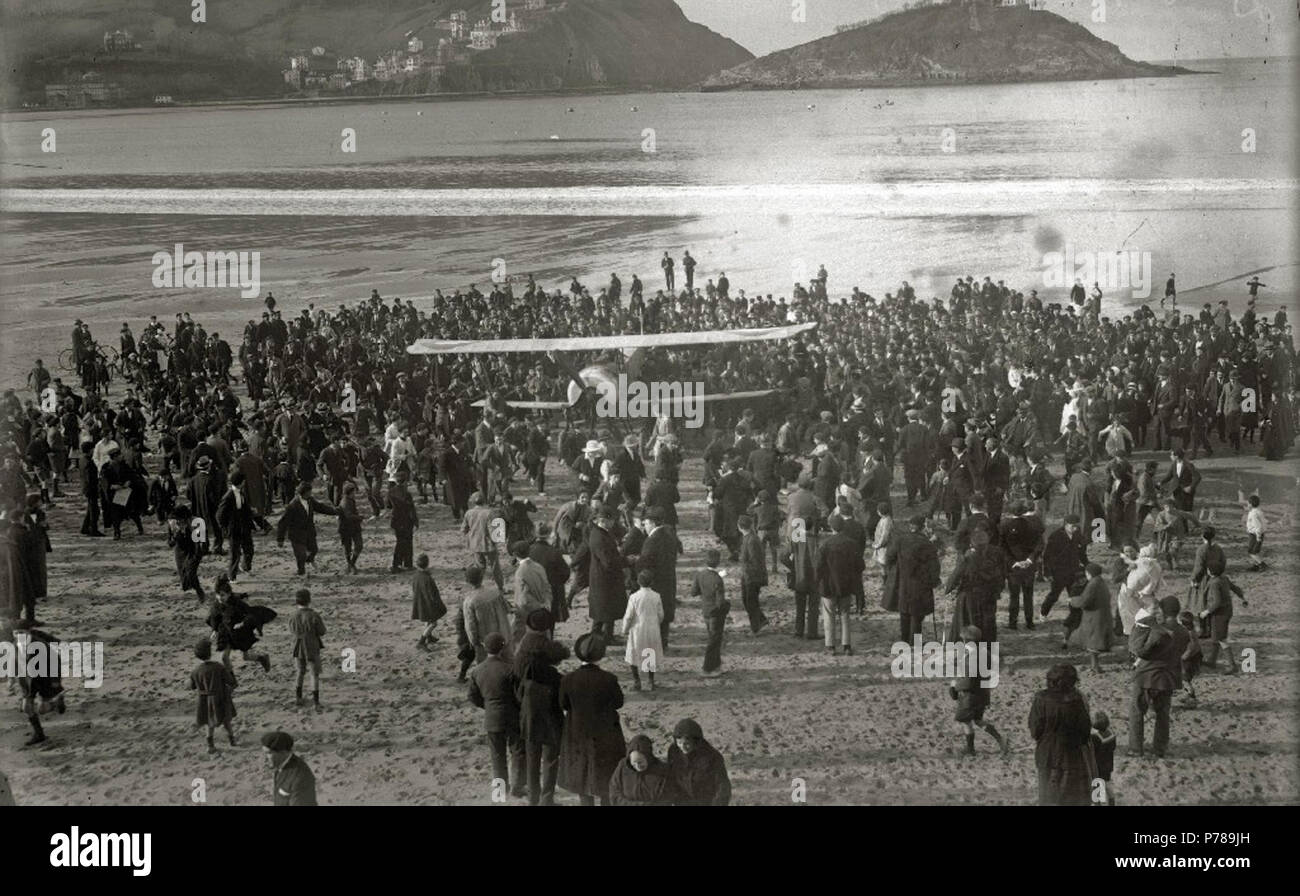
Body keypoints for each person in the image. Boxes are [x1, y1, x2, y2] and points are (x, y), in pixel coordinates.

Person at [558, 632, 626, 806]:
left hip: (577, 732)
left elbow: (563, 704)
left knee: (581, 775)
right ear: (600, 655)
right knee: (606, 775)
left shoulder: (568, 679)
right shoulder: (609, 679)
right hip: (606, 732)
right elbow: (618, 703)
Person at [514, 608, 568, 806]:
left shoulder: (522, 652)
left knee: (532, 756)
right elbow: (563, 652)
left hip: (528, 712)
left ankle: (534, 799)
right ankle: (547, 799)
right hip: (550, 714)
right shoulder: (553, 675)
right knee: (551, 758)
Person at [1128, 597, 1187, 758]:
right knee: (1162, 715)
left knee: (1137, 711)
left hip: (1147, 677)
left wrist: (1139, 626)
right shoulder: (1183, 632)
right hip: (1168, 678)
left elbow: (1138, 650)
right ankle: (1159, 749)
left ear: (1162, 611)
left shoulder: (1157, 630)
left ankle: (1135, 748)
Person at [1028, 663, 1095, 805]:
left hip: (1046, 753)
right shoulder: (1077, 701)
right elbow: (1085, 731)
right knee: (1069, 796)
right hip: (1071, 755)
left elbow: (1035, 730)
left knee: (1046, 794)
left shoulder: (1040, 699)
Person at [468, 632, 524, 800]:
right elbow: (519, 696)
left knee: (497, 756)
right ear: (503, 648)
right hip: (513, 716)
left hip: (492, 718)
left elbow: (473, 697)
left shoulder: (477, 671)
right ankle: (518, 787)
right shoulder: (510, 669)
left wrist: (487, 706)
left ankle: (499, 793)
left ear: (485, 648)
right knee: (518, 752)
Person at [949, 625, 1008, 756]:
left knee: (965, 720)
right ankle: (1000, 739)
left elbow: (969, 680)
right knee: (978, 720)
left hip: (970, 695)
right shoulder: (984, 652)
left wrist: (954, 686)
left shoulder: (972, 657)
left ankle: (971, 749)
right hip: (983, 693)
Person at [815, 514, 860, 655]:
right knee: (845, 614)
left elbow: (818, 567)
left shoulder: (825, 545)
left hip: (828, 586)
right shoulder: (852, 544)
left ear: (831, 527)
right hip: (846, 585)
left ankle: (830, 646)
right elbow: (860, 565)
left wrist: (817, 582)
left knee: (828, 615)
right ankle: (846, 645)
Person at [276, 482, 338, 576]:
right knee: (301, 555)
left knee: (314, 550)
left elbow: (321, 508)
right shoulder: (292, 506)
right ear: (303, 493)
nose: (311, 494)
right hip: (296, 535)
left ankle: (309, 561)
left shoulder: (310, 500)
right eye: (309, 492)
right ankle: (301, 572)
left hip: (309, 532)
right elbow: (283, 522)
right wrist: (280, 539)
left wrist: (335, 511)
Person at [667, 718, 731, 806]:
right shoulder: (674, 751)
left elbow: (722, 786)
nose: (683, 747)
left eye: (687, 743)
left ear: (696, 741)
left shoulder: (712, 756)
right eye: (679, 743)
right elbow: (670, 777)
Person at [190, 638, 237, 752]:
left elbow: (192, 686)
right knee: (226, 721)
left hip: (205, 700)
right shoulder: (218, 667)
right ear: (210, 653)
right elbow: (231, 681)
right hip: (221, 697)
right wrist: (230, 671)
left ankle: (210, 745)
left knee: (209, 722)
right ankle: (232, 740)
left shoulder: (196, 671)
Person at [607, 734, 682, 806]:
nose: (637, 766)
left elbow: (666, 799)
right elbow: (614, 793)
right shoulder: (623, 767)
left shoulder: (662, 771)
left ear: (648, 757)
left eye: (640, 762)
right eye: (633, 763)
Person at [621, 569, 664, 691]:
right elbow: (661, 614)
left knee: (634, 654)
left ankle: (637, 681)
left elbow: (629, 616)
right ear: (652, 582)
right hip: (652, 628)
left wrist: (624, 629)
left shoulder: (634, 597)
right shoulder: (656, 596)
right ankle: (650, 681)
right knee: (649, 652)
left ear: (639, 583)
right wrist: (657, 623)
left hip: (637, 629)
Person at [462, 564, 512, 666]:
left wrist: (474, 641)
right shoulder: (495, 592)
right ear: (482, 578)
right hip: (503, 636)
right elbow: (508, 609)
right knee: (507, 664)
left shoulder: (470, 601)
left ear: (467, 581)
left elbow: (470, 626)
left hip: (486, 642)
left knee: (486, 666)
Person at [1068, 562, 1113, 673]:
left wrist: (1072, 600)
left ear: (1090, 573)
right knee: (1095, 643)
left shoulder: (1092, 584)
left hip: (1094, 618)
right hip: (1102, 616)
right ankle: (1094, 666)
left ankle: (1095, 667)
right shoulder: (1101, 582)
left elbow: (1084, 602)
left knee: (1093, 644)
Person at [1200, 570, 1246, 674]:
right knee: (1215, 636)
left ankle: (1232, 665)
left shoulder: (1214, 583)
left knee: (1221, 639)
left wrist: (1206, 612)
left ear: (1210, 571)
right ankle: (1212, 660)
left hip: (1219, 614)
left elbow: (1217, 602)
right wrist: (1243, 598)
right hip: (1227, 611)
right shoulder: (1224, 578)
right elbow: (1235, 588)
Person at [288, 588, 326, 712]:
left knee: (300, 672)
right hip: (312, 647)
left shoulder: (292, 616)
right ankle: (316, 702)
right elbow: (322, 631)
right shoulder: (313, 615)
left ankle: (298, 698)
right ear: (309, 600)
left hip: (297, 647)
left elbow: (291, 631)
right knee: (314, 674)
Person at [692, 549, 730, 674]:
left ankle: (717, 665)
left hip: (705, 611)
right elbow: (720, 602)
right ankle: (708, 667)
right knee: (714, 641)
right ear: (718, 562)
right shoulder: (718, 580)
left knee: (713, 638)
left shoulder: (700, 575)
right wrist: (727, 607)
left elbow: (693, 592)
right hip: (716, 614)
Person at [261, 730, 318, 806]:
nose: (265, 758)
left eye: (269, 753)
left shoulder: (300, 777)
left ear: (283, 752)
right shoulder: (281, 764)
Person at [737, 515, 769, 634]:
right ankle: (761, 620)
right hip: (748, 575)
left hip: (752, 576)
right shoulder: (750, 538)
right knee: (747, 600)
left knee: (751, 602)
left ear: (739, 527)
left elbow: (755, 561)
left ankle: (755, 627)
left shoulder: (751, 540)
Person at [411, 554, 447, 651]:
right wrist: (439, 605)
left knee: (428, 620)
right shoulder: (428, 579)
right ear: (427, 564)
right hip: (428, 604)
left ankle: (429, 636)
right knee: (433, 623)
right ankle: (421, 642)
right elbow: (433, 594)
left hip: (420, 602)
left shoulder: (416, 575)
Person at [1090, 711, 1117, 805]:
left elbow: (1092, 750)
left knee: (1098, 783)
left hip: (1098, 765)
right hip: (1109, 764)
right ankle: (1112, 799)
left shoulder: (1095, 737)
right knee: (1108, 782)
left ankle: (1098, 802)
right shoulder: (1111, 733)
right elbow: (1113, 747)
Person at [1176, 610, 1203, 706]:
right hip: (1194, 657)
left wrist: (1183, 657)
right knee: (1185, 679)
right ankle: (1188, 694)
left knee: (1185, 678)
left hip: (1190, 659)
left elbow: (1191, 647)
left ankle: (1191, 696)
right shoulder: (1191, 631)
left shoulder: (1189, 634)